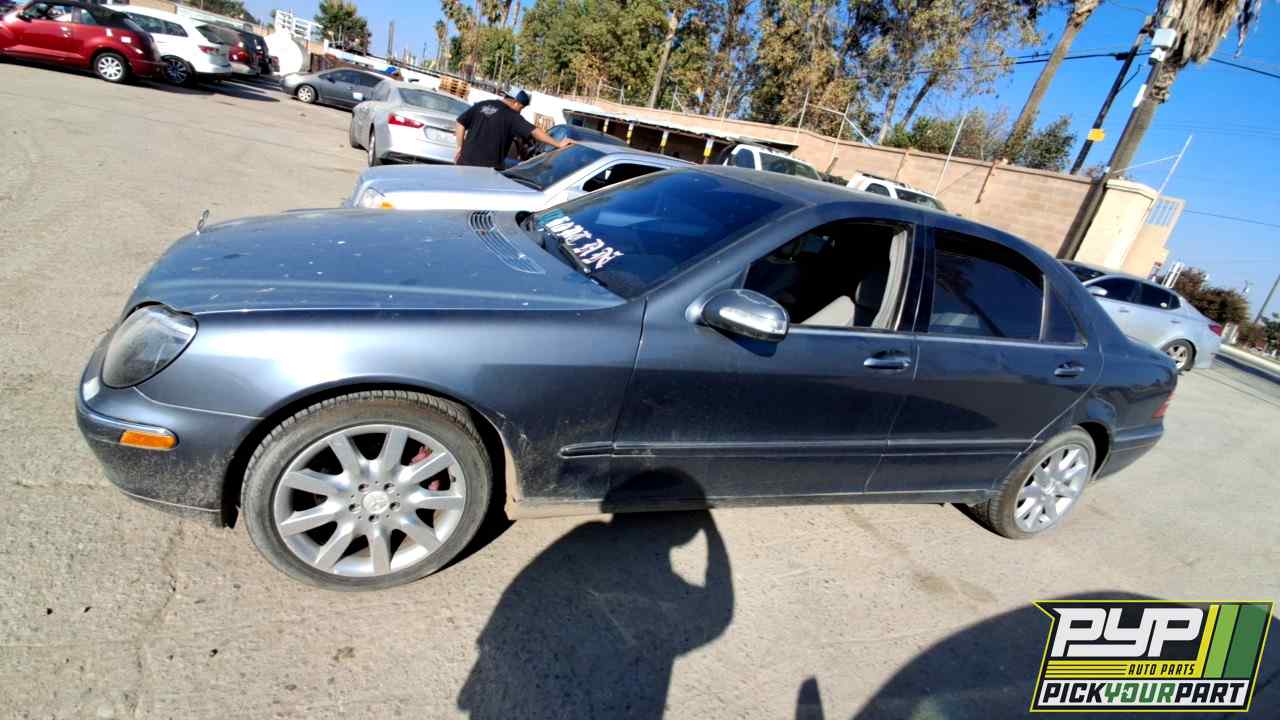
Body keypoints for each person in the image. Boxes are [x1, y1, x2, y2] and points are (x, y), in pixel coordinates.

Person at [453, 89, 571, 168]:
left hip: (463, 162)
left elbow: (460, 123)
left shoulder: (481, 105)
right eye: (521, 108)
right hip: (486, 169)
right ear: (516, 103)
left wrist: (460, 147)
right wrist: (558, 144)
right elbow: (535, 132)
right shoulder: (512, 116)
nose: (520, 112)